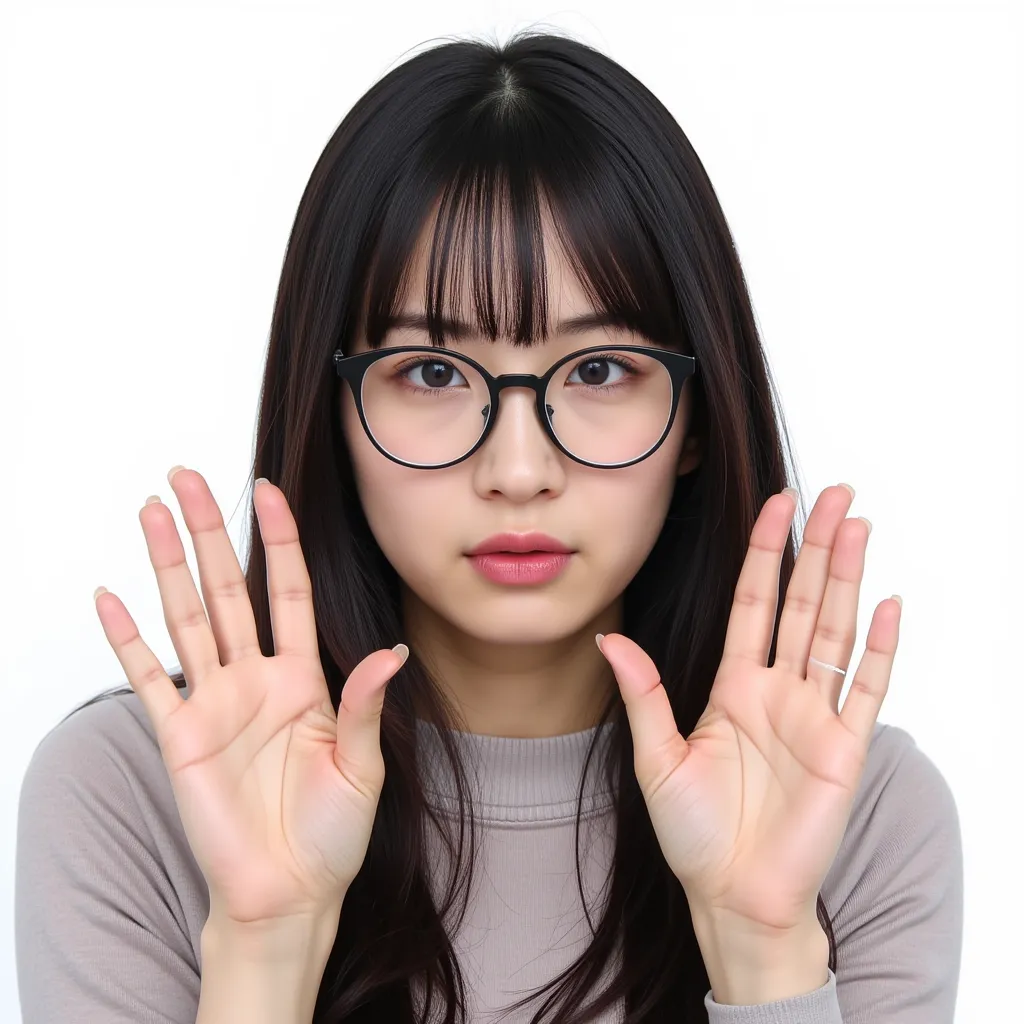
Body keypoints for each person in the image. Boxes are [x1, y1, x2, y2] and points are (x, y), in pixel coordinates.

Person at [13, 29, 963, 1024]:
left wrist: (765, 947)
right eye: (430, 371)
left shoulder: (854, 810)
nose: (518, 470)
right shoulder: (136, 791)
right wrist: (262, 943)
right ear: (333, 413)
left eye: (600, 370)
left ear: (694, 417)